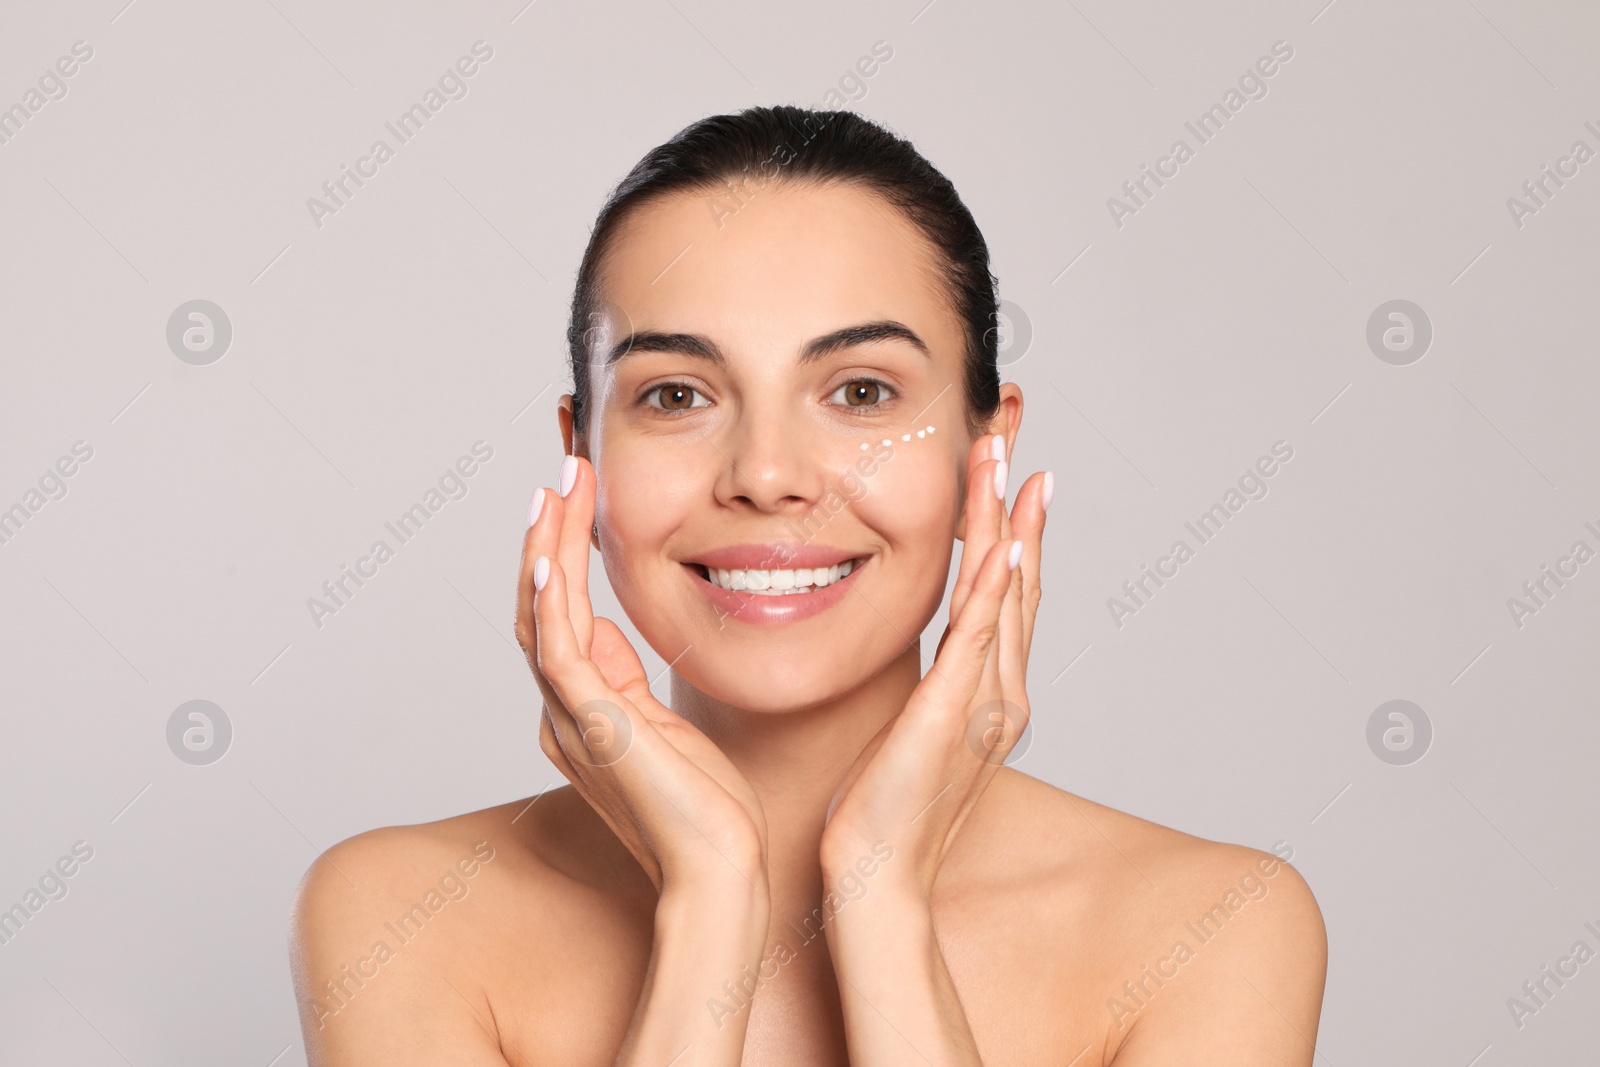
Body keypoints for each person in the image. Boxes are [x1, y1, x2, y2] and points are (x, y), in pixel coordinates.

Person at [289, 104, 1327, 1065]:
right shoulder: (398, 913)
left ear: (986, 448)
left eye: (861, 391)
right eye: (677, 393)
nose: (767, 475)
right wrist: (708, 900)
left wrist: (879, 890)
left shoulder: (1213, 926)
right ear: (582, 459)